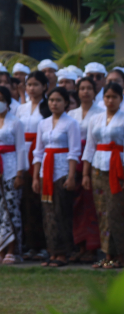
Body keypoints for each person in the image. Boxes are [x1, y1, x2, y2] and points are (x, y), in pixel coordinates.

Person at [81, 83, 124, 269]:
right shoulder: (95, 119)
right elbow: (90, 146)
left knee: (116, 212)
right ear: (102, 98)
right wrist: (86, 173)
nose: (110, 100)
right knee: (102, 213)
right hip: (98, 168)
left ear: (121, 99)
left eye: (114, 97)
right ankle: (107, 255)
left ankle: (120, 256)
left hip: (118, 169)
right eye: (107, 97)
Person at [31, 87, 81, 267]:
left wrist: (71, 176)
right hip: (46, 171)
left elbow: (74, 151)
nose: (54, 103)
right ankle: (52, 252)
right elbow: (38, 151)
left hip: (61, 171)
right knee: (48, 214)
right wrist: (36, 177)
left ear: (66, 103)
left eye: (58, 100)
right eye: (51, 100)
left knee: (62, 212)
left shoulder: (71, 123)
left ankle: (63, 253)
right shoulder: (42, 123)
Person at [68, 77, 104, 264]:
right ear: (77, 91)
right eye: (82, 88)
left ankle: (93, 247)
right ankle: (80, 246)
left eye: (89, 88)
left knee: (91, 206)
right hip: (75, 161)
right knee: (77, 207)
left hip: (93, 160)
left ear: (95, 91)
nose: (86, 92)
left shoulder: (101, 112)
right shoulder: (71, 114)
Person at [16, 71, 49, 262]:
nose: (32, 88)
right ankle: (29, 244)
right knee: (25, 203)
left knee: (39, 203)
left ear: (44, 87)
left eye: (36, 84)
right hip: (23, 155)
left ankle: (43, 245)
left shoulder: (48, 108)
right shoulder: (21, 108)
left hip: (41, 156)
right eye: (29, 85)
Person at [0, 86, 26, 264]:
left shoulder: (16, 122)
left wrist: (19, 174)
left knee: (11, 209)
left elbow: (21, 149)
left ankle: (12, 248)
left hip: (10, 169)